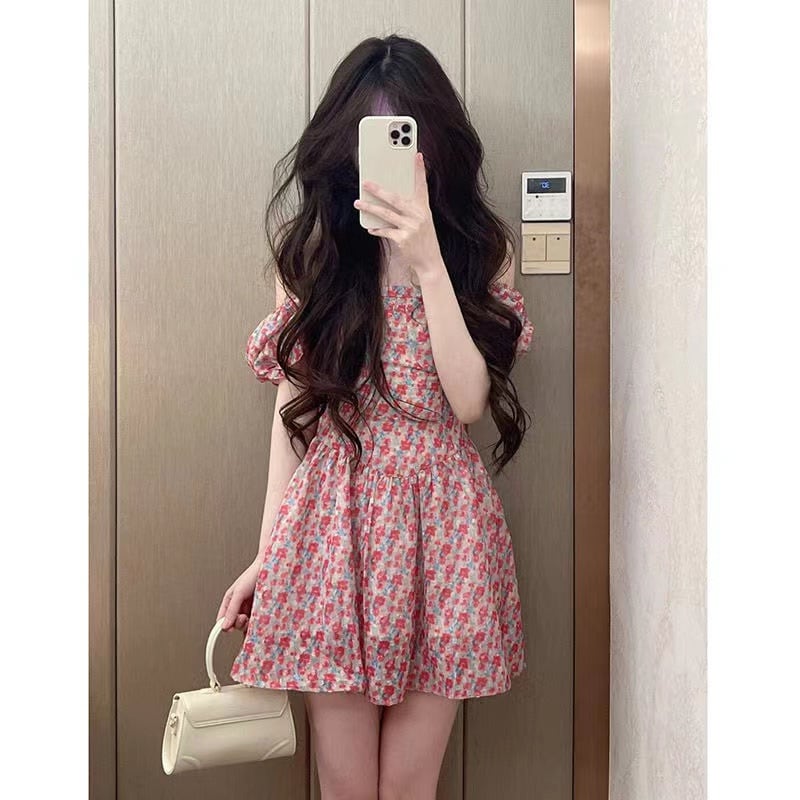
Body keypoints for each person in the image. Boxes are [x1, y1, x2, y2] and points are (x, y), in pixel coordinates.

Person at [216, 33, 535, 800]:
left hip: (444, 532)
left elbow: (467, 402)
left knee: (409, 787)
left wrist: (426, 262)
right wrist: (269, 556)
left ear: (436, 147)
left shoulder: (478, 253)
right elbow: (293, 416)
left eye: (406, 138)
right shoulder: (317, 259)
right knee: (348, 785)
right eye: (375, 138)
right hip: (333, 530)